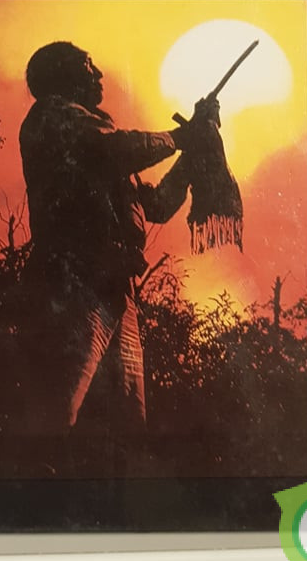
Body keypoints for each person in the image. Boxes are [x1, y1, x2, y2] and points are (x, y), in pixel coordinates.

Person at [18, 40, 218, 474]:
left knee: (125, 429)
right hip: (71, 283)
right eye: (88, 66)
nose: (99, 74)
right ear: (62, 75)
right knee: (56, 414)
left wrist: (191, 152)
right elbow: (115, 150)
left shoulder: (94, 141)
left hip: (113, 292)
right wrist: (182, 137)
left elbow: (157, 205)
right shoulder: (52, 116)